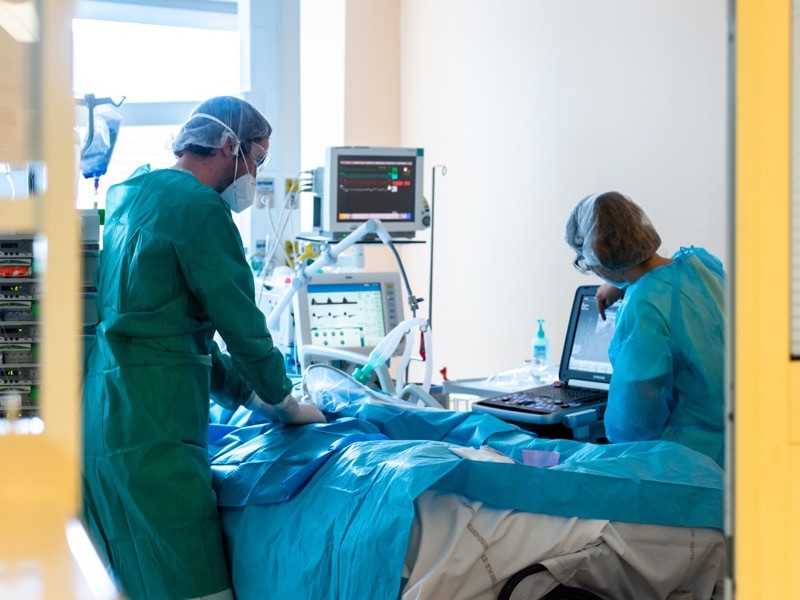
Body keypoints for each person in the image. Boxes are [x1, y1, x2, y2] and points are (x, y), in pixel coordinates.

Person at [82, 96, 325, 600]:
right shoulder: (200, 211)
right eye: (256, 160)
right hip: (153, 435)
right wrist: (283, 398)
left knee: (127, 582)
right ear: (227, 144)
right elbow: (243, 326)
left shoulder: (134, 196)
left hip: (106, 420)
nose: (254, 175)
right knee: (197, 587)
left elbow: (177, 336)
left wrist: (251, 397)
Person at [564, 191, 725, 467]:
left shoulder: (643, 306)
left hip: (698, 462)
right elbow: (658, 271)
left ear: (598, 258)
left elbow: (634, 421)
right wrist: (621, 282)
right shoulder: (700, 264)